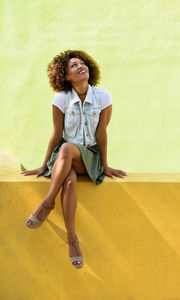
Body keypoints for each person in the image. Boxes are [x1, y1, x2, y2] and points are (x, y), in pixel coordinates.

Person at [21, 50, 127, 269]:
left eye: (83, 64)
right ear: (66, 76)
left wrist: (105, 165)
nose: (81, 67)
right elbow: (57, 134)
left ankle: (47, 202)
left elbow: (101, 134)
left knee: (68, 148)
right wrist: (44, 164)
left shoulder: (103, 96)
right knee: (68, 181)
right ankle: (72, 240)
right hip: (64, 156)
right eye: (74, 66)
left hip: (89, 156)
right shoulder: (61, 98)